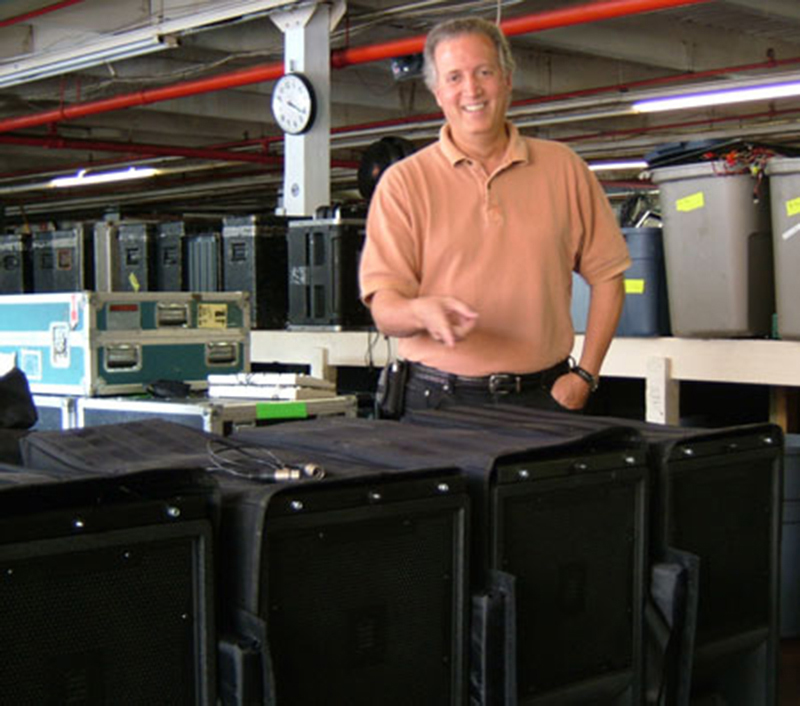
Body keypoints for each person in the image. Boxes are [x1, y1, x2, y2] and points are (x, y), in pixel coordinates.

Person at [359, 16, 629, 415]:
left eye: (483, 72)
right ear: (436, 92)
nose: (471, 89)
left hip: (545, 399)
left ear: (507, 79)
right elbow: (384, 309)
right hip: (436, 403)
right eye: (454, 77)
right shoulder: (404, 183)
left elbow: (609, 277)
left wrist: (586, 376)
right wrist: (420, 311)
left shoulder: (564, 168)